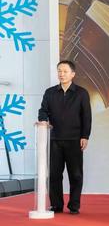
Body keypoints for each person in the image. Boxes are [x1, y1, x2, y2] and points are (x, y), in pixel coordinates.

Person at [37, 60, 91, 214]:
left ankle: (74, 205)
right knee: (54, 174)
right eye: (59, 71)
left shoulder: (81, 93)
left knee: (76, 175)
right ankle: (56, 205)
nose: (61, 74)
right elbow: (43, 110)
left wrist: (85, 136)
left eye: (65, 71)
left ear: (73, 74)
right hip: (54, 139)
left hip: (75, 139)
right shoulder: (50, 92)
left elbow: (86, 116)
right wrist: (43, 120)